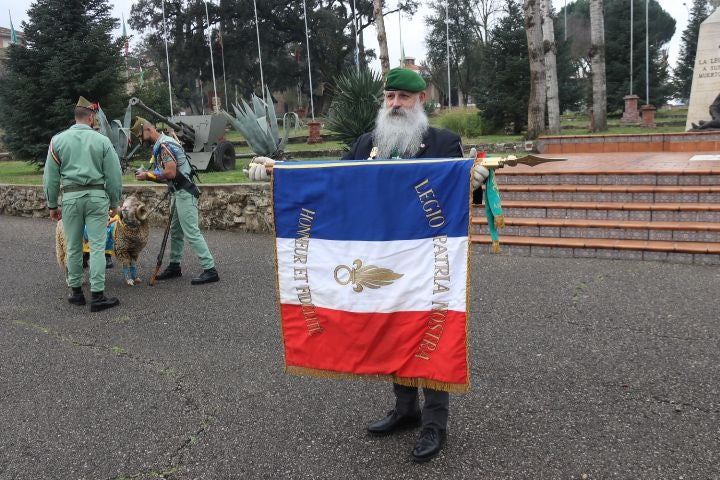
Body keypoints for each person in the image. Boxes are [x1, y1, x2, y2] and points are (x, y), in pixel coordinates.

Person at [343, 68, 488, 462]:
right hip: (380, 261)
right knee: (393, 332)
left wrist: (475, 183)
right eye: (389, 97)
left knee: (431, 338)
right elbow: (331, 184)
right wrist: (278, 172)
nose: (394, 105)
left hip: (430, 263)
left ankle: (434, 423)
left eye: (403, 98)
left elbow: (460, 201)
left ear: (421, 100)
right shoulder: (366, 143)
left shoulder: (443, 142)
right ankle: (406, 409)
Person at [43, 96, 123, 312]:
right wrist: (115, 202)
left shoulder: (57, 141)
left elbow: (50, 177)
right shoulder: (103, 141)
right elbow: (114, 175)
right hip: (97, 197)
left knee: (73, 246)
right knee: (97, 246)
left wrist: (52, 205)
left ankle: (76, 292)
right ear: (90, 117)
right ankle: (97, 296)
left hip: (70, 198)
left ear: (76, 117)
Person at [131, 117, 219, 285]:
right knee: (176, 231)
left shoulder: (164, 146)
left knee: (191, 232)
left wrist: (148, 175)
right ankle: (174, 266)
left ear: (148, 129)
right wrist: (149, 175)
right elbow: (167, 175)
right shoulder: (162, 144)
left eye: (140, 136)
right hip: (177, 192)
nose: (140, 140)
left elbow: (170, 173)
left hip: (184, 192)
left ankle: (210, 269)